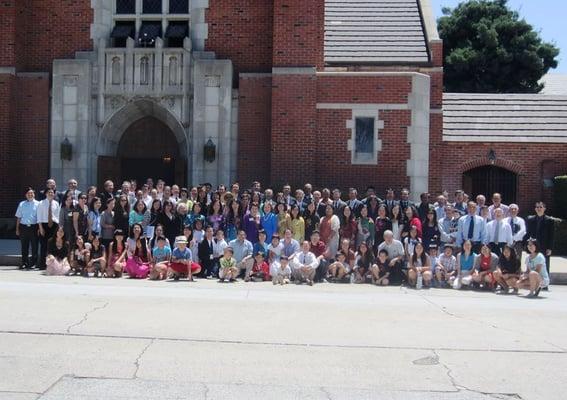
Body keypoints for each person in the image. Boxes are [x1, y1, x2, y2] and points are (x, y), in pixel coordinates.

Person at [525, 202, 554, 278]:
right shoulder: (530, 219)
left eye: (541, 207)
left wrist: (550, 248)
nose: (539, 209)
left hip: (544, 246)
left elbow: (551, 235)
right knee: (533, 263)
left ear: (544, 209)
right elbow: (528, 233)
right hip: (533, 246)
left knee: (545, 264)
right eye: (537, 207)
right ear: (535, 209)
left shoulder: (549, 220)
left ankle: (544, 283)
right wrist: (526, 245)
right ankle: (533, 281)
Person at [15, 188, 40, 270]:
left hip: (34, 227)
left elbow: (40, 217)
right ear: (26, 195)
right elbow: (19, 217)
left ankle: (33, 263)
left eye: (32, 193)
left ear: (34, 194)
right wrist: (17, 229)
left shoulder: (38, 204)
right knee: (24, 246)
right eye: (28, 193)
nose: (30, 195)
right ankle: (24, 263)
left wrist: (39, 228)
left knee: (34, 246)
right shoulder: (22, 204)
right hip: (23, 227)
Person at [37, 188, 61, 270]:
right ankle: (42, 265)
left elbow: (57, 216)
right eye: (49, 192)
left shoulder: (56, 203)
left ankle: (51, 265)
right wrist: (40, 227)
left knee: (52, 245)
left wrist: (58, 227)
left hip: (54, 226)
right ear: (46, 194)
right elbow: (39, 216)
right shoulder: (41, 203)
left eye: (52, 192)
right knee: (43, 245)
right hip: (44, 225)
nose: (51, 194)